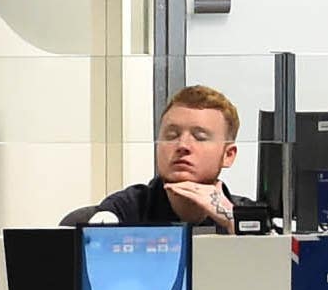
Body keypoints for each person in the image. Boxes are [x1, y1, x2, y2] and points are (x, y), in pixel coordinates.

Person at [61, 84, 273, 232]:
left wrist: (230, 219)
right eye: (171, 136)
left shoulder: (244, 215)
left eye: (199, 138)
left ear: (228, 155)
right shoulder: (126, 211)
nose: (182, 146)